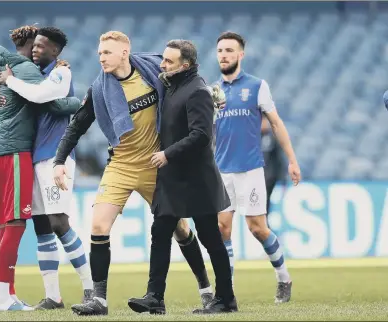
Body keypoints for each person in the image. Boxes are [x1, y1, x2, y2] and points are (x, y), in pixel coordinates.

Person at [53, 31, 214, 316]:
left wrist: (211, 94)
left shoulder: (154, 70)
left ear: (124, 53)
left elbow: (188, 82)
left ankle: (206, 290)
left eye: (107, 52)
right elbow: (77, 125)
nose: (101, 57)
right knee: (99, 225)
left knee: (180, 228)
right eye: (99, 53)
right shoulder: (99, 89)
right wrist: (59, 160)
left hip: (156, 164)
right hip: (121, 165)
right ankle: (99, 301)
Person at [127, 40, 237, 315]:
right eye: (164, 59)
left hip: (196, 177)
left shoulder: (197, 91)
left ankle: (225, 298)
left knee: (210, 237)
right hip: (173, 177)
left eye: (168, 62)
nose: (162, 65)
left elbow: (201, 135)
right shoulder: (172, 85)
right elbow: (142, 61)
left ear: (184, 66)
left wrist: (167, 154)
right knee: (160, 232)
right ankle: (155, 297)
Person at [0, 27, 93, 310]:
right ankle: (53, 296)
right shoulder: (36, 74)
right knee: (41, 227)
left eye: (41, 46)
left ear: (55, 51)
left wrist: (11, 80)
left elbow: (40, 96)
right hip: (35, 157)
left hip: (56, 158)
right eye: (34, 45)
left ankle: (90, 290)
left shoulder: (62, 73)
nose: (36, 49)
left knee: (59, 222)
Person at [212, 31, 301, 304]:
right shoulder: (212, 91)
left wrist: (292, 160)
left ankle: (284, 278)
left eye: (229, 50)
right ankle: (226, 292)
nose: (224, 55)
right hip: (222, 170)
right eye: (220, 51)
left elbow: (276, 124)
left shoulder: (257, 86)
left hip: (250, 170)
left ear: (240, 55)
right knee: (222, 229)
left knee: (257, 228)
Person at [261, 117, 286, 220]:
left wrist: (282, 178)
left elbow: (279, 159)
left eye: (265, 121)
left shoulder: (272, 138)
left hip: (269, 179)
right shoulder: (251, 138)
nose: (263, 124)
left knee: (266, 206)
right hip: (255, 179)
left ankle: (265, 227)